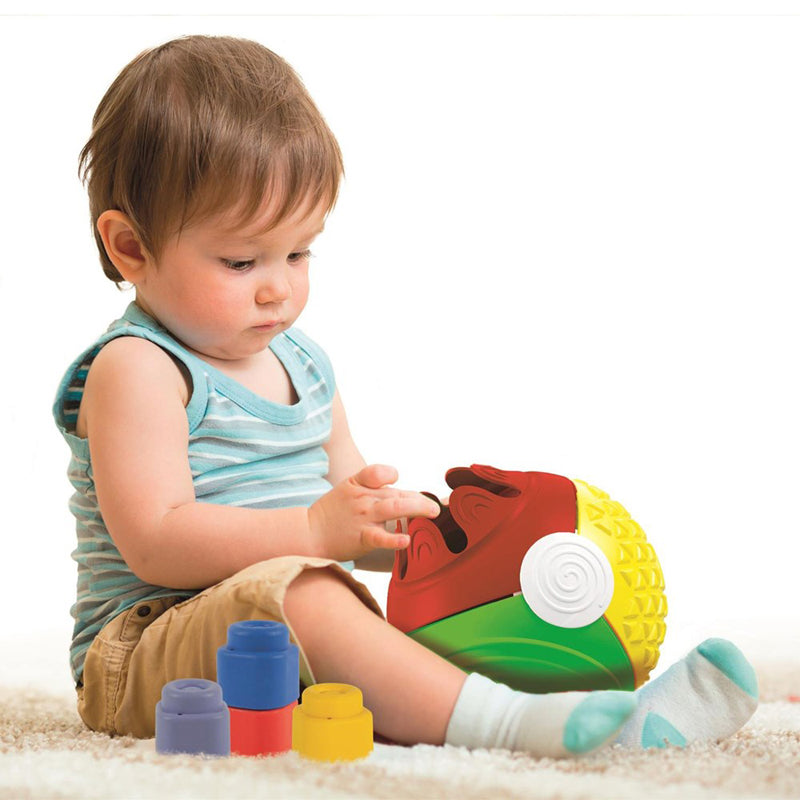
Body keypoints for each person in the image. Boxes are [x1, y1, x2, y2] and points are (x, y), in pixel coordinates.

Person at [54, 35, 758, 756]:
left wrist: (432, 535)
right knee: (309, 597)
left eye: (298, 252)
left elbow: (351, 512)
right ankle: (515, 727)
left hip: (284, 620)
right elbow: (157, 542)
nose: (280, 287)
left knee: (420, 617)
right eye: (241, 261)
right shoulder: (138, 368)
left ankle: (607, 714)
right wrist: (314, 535)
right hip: (144, 655)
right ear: (131, 248)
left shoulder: (304, 363)